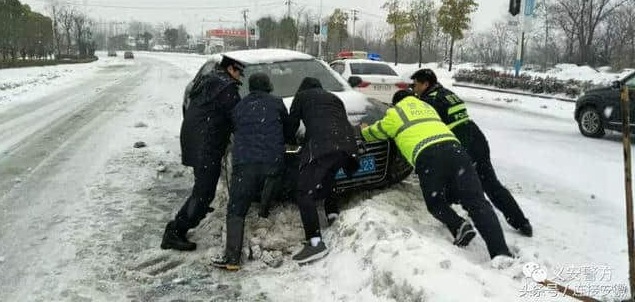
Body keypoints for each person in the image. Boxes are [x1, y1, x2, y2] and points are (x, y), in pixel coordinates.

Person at [362, 90, 512, 260]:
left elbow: (377, 131)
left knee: (435, 202)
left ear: (395, 103)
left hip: (428, 155)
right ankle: (501, 252)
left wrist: (364, 131)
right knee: (477, 202)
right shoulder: (428, 107)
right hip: (456, 151)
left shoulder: (395, 112)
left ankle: (459, 225)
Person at [410, 69, 533, 237]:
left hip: (462, 144)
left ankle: (460, 219)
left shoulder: (429, 101)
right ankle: (521, 222)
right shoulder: (447, 93)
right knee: (491, 184)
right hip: (477, 139)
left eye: (415, 84)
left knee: (463, 186)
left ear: (425, 84)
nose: (413, 88)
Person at [161, 56, 244, 251]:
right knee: (204, 193)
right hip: (205, 145)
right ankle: (175, 232)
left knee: (202, 189)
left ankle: (194, 211)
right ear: (231, 69)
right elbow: (238, 117)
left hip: (196, 140)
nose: (240, 76)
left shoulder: (211, 81)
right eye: (239, 71)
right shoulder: (226, 88)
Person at [211, 73, 291, 270]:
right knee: (271, 182)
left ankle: (232, 259)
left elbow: (234, 129)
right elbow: (288, 128)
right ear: (268, 86)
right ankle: (264, 211)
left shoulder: (240, 106)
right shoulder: (277, 103)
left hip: (246, 163)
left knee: (236, 209)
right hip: (273, 161)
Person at [285, 77, 359, 264]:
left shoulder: (301, 97)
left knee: (303, 192)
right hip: (348, 147)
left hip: (323, 146)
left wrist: (291, 142)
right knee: (328, 176)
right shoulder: (334, 98)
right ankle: (332, 214)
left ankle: (315, 242)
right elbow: (339, 122)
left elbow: (291, 126)